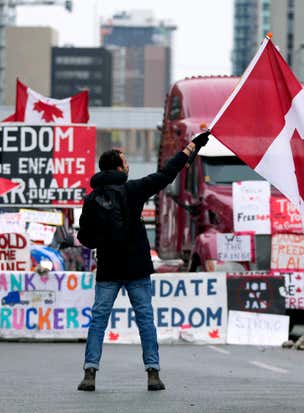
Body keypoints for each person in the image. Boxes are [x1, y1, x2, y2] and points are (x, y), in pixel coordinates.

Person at [76, 131, 210, 392]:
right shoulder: (133, 190)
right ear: (118, 167)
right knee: (145, 319)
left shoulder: (91, 199)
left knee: (98, 320)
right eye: (125, 162)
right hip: (136, 267)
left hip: (108, 268)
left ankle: (90, 372)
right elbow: (166, 173)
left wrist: (103, 238)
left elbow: (85, 237)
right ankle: (153, 372)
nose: (128, 166)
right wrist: (192, 147)